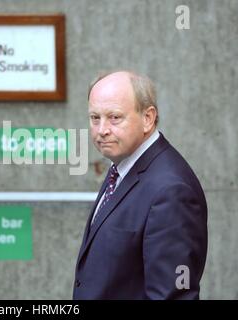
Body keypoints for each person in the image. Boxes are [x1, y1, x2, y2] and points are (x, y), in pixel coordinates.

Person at [73, 71, 208, 299]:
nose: (102, 130)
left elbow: (173, 296)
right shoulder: (122, 164)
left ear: (148, 118)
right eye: (95, 118)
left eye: (114, 117)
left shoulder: (171, 191)